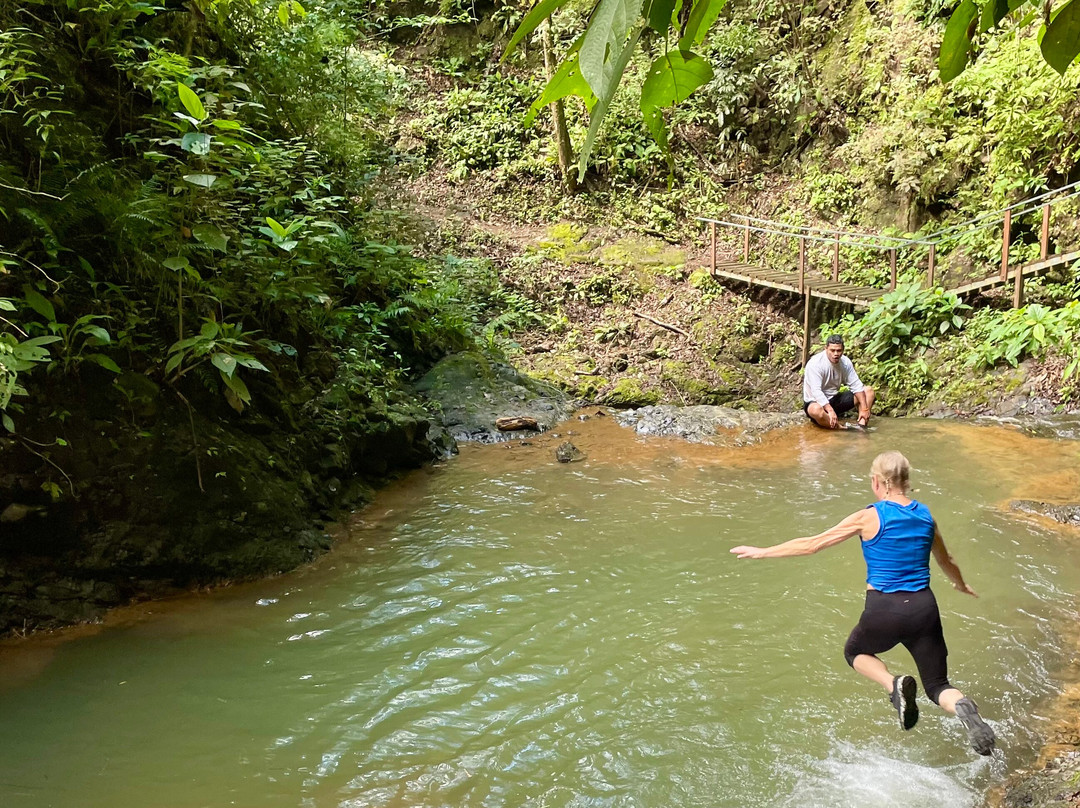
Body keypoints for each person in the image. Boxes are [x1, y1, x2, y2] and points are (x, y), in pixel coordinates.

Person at [729, 450, 996, 756]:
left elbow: (812, 544)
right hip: (924, 608)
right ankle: (962, 706)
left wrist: (763, 552)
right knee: (937, 685)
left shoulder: (868, 516)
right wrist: (961, 585)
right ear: (907, 482)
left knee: (854, 651)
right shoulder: (926, 516)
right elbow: (946, 560)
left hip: (883, 609)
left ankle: (892, 684)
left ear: (878, 482)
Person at [803, 335, 875, 429]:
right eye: (832, 350)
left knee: (868, 391)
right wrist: (830, 411)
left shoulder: (845, 362)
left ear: (843, 350)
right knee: (816, 410)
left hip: (835, 399)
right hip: (816, 402)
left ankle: (861, 427)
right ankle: (839, 428)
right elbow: (816, 391)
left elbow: (856, 385)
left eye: (839, 350)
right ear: (826, 349)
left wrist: (865, 409)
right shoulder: (816, 364)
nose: (836, 354)